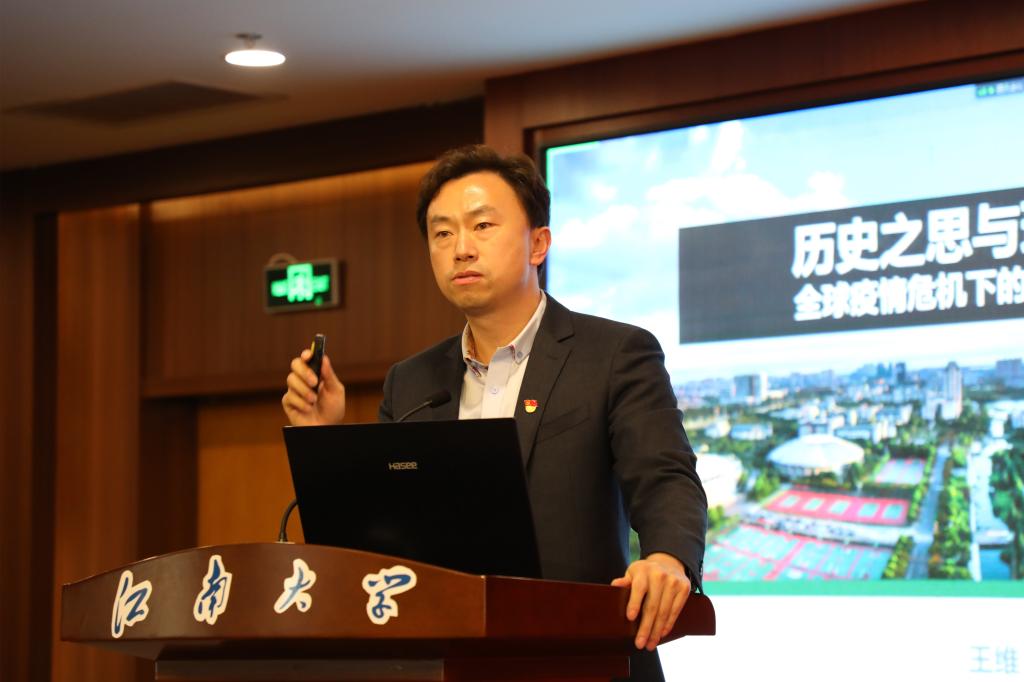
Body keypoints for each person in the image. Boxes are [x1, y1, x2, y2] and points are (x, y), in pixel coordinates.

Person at [283, 145, 707, 681]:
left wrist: (668, 558)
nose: (461, 249)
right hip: (443, 665)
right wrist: (323, 439)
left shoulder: (613, 354)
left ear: (538, 244)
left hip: (584, 659)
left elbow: (665, 476)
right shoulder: (411, 382)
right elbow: (378, 546)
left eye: (482, 226)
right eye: (442, 233)